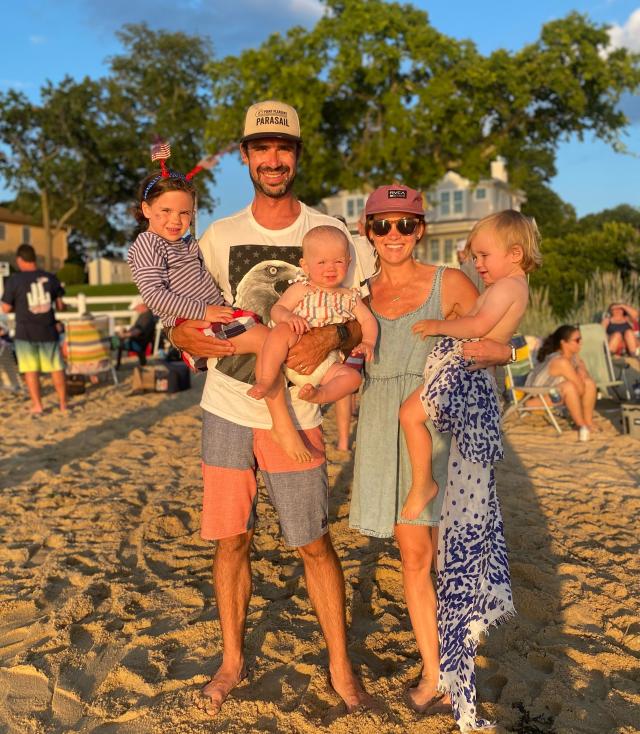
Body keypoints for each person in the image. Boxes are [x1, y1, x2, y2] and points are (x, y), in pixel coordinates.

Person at [168, 100, 373, 715]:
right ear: (246, 156)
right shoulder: (219, 236)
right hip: (229, 407)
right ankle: (232, 660)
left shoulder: (330, 232)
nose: (273, 159)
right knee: (230, 541)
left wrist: (331, 339)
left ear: (297, 156)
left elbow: (360, 325)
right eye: (261, 148)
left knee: (313, 541)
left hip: (302, 413)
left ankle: (340, 664)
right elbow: (184, 319)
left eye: (283, 149)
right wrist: (182, 336)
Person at [348, 185, 512, 729]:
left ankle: (450, 666)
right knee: (413, 557)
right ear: (368, 232)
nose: (393, 235)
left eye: (404, 225)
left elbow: (496, 333)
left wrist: (507, 352)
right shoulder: (358, 291)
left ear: (420, 230)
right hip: (379, 423)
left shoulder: (451, 283)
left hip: (436, 431)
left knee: (443, 555)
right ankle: (435, 669)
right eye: (382, 225)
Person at [127, 153, 311, 462]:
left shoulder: (183, 243)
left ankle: (298, 397)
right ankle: (282, 423)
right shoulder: (148, 244)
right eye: (166, 211)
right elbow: (155, 297)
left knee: (277, 340)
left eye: (185, 213)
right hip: (197, 323)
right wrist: (205, 312)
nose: (176, 220)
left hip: (217, 316)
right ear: (146, 210)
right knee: (268, 341)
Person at [398, 210, 540, 520]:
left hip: (463, 369)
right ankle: (428, 489)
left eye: (484, 255)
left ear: (515, 254)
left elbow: (477, 327)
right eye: (474, 256)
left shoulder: (506, 287)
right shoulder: (509, 285)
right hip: (468, 367)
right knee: (423, 426)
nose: (477, 264)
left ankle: (423, 485)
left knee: (410, 416)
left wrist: (438, 325)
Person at [248, 225, 377, 405]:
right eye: (321, 262)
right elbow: (277, 310)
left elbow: (368, 320)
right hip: (292, 346)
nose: (330, 268)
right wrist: (288, 317)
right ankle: (266, 380)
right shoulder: (302, 289)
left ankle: (320, 395)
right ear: (305, 266)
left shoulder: (350, 296)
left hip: (327, 363)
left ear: (348, 262)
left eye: (338, 262)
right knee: (281, 331)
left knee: (353, 378)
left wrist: (369, 342)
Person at [1, 243, 67, 414]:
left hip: (26, 332)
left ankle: (38, 405)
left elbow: (6, 308)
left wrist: (18, 305)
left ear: (20, 260)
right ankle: (62, 404)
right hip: (48, 330)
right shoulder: (51, 277)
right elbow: (60, 305)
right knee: (56, 368)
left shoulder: (15, 280)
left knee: (31, 370)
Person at [526, 324, 597, 441]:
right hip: (536, 398)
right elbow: (580, 390)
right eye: (577, 340)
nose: (580, 343)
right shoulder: (560, 361)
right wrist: (580, 372)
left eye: (581, 339)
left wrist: (581, 368)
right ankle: (581, 425)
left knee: (589, 382)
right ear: (564, 343)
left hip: (553, 394)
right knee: (569, 386)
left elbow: (587, 382)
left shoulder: (574, 357)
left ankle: (588, 422)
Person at [115, 296, 157, 369]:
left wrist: (124, 335)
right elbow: (137, 329)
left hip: (138, 343)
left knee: (115, 342)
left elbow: (137, 332)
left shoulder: (146, 317)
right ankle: (142, 361)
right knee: (116, 340)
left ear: (141, 305)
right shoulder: (145, 315)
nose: (135, 309)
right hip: (139, 342)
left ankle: (117, 366)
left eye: (136, 307)